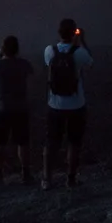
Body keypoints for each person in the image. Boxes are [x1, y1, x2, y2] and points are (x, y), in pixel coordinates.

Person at [43, 18, 94, 190]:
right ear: (74, 33)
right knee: (74, 143)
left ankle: (46, 179)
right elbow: (90, 64)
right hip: (76, 105)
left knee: (52, 143)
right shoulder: (79, 53)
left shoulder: (49, 51)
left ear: (59, 33)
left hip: (55, 105)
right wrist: (82, 41)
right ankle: (70, 180)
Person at [0, 35, 35, 187]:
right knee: (23, 143)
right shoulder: (23, 64)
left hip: (1, 109)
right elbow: (33, 71)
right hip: (20, 108)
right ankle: (26, 175)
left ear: (3, 49)